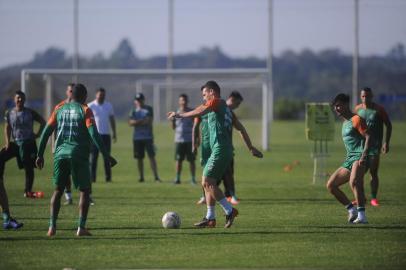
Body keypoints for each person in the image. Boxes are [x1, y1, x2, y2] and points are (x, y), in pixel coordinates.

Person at [36, 83, 117, 237]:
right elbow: (94, 134)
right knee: (85, 191)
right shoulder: (85, 110)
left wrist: (40, 154)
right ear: (85, 96)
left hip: (60, 154)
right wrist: (106, 155)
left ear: (71, 95)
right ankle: (81, 227)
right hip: (78, 154)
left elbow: (46, 132)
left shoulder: (59, 108)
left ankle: (52, 227)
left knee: (58, 190)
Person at [168, 81, 239, 228]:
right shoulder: (217, 106)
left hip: (219, 149)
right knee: (206, 183)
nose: (203, 97)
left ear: (212, 92)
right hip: (210, 150)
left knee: (208, 182)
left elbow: (198, 112)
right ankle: (210, 218)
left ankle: (229, 210)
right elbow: (198, 117)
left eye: (205, 94)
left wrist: (179, 115)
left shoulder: (216, 103)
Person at [194, 91, 263, 205]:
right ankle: (209, 198)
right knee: (209, 177)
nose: (238, 106)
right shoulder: (215, 107)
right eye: (238, 103)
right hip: (211, 149)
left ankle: (230, 196)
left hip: (223, 149)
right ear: (233, 99)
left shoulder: (229, 112)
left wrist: (250, 147)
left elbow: (240, 129)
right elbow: (197, 121)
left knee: (226, 174)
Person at [327, 93, 370, 224]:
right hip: (349, 159)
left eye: (339, 105)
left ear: (346, 105)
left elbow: (369, 136)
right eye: (335, 106)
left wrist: (364, 154)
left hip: (360, 157)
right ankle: (352, 210)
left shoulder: (356, 119)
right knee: (331, 185)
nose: (336, 108)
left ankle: (362, 216)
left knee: (354, 182)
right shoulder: (345, 123)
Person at [0, 91, 45, 198]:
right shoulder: (9, 113)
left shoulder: (30, 112)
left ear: (24, 100)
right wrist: (7, 143)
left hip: (28, 143)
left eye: (22, 98)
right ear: (14, 99)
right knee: (1, 156)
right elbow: (7, 127)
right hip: (16, 143)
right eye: (18, 98)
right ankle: (0, 183)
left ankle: (28, 191)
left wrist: (37, 134)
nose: (20, 100)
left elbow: (43, 122)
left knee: (28, 167)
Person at [354, 87, 392, 206]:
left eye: (368, 96)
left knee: (373, 172)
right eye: (363, 96)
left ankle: (374, 198)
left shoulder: (379, 109)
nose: (366, 98)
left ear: (372, 96)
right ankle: (361, 198)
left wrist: (386, 142)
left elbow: (388, 125)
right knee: (359, 174)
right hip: (360, 147)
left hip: (374, 147)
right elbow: (354, 125)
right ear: (361, 97)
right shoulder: (357, 109)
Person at [128, 93, 160, 182]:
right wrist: (141, 121)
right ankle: (141, 177)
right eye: (137, 100)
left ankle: (156, 177)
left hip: (148, 137)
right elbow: (130, 123)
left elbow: (149, 122)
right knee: (139, 158)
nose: (139, 102)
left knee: (152, 157)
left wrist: (136, 122)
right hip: (137, 138)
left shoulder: (149, 109)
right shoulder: (133, 110)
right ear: (135, 101)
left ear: (143, 100)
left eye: (140, 100)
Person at [88, 87, 117, 183]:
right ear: (96, 95)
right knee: (94, 158)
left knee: (107, 158)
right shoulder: (91, 106)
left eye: (103, 95)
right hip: (94, 136)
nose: (102, 96)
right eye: (100, 95)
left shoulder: (108, 105)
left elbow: (112, 119)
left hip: (106, 135)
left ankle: (108, 178)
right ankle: (92, 179)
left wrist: (114, 133)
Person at [53, 83, 75, 205]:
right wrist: (53, 147)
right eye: (70, 90)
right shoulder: (59, 106)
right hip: (62, 146)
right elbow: (52, 127)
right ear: (67, 92)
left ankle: (88, 195)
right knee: (64, 174)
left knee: (80, 172)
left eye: (74, 91)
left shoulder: (82, 107)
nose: (72, 93)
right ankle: (69, 196)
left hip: (76, 146)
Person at [171, 94, 196, 185]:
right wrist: (172, 121)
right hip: (179, 140)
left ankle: (193, 179)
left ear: (187, 101)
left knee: (192, 160)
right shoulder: (176, 112)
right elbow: (173, 127)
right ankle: (177, 178)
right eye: (182, 100)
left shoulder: (191, 112)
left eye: (185, 100)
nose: (183, 102)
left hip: (189, 139)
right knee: (178, 160)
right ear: (179, 101)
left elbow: (195, 125)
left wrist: (197, 138)